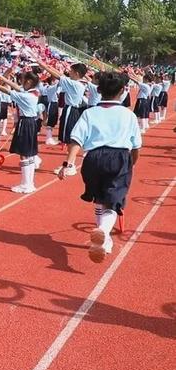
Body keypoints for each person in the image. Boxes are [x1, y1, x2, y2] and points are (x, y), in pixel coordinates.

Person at [57, 72, 141, 263]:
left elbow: (76, 140)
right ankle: (103, 231)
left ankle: (104, 239)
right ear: (122, 91)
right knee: (112, 202)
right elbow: (136, 146)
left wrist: (68, 165)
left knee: (98, 197)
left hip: (93, 158)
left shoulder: (89, 112)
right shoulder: (128, 114)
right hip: (119, 157)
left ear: (99, 90)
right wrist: (131, 164)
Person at [0, 71, 43, 194]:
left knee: (24, 154)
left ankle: (26, 184)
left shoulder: (26, 96)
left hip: (25, 123)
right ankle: (29, 183)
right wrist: (2, 78)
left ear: (29, 82)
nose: (20, 83)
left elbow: (8, 91)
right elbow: (17, 88)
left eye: (23, 80)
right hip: (31, 123)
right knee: (29, 154)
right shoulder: (34, 92)